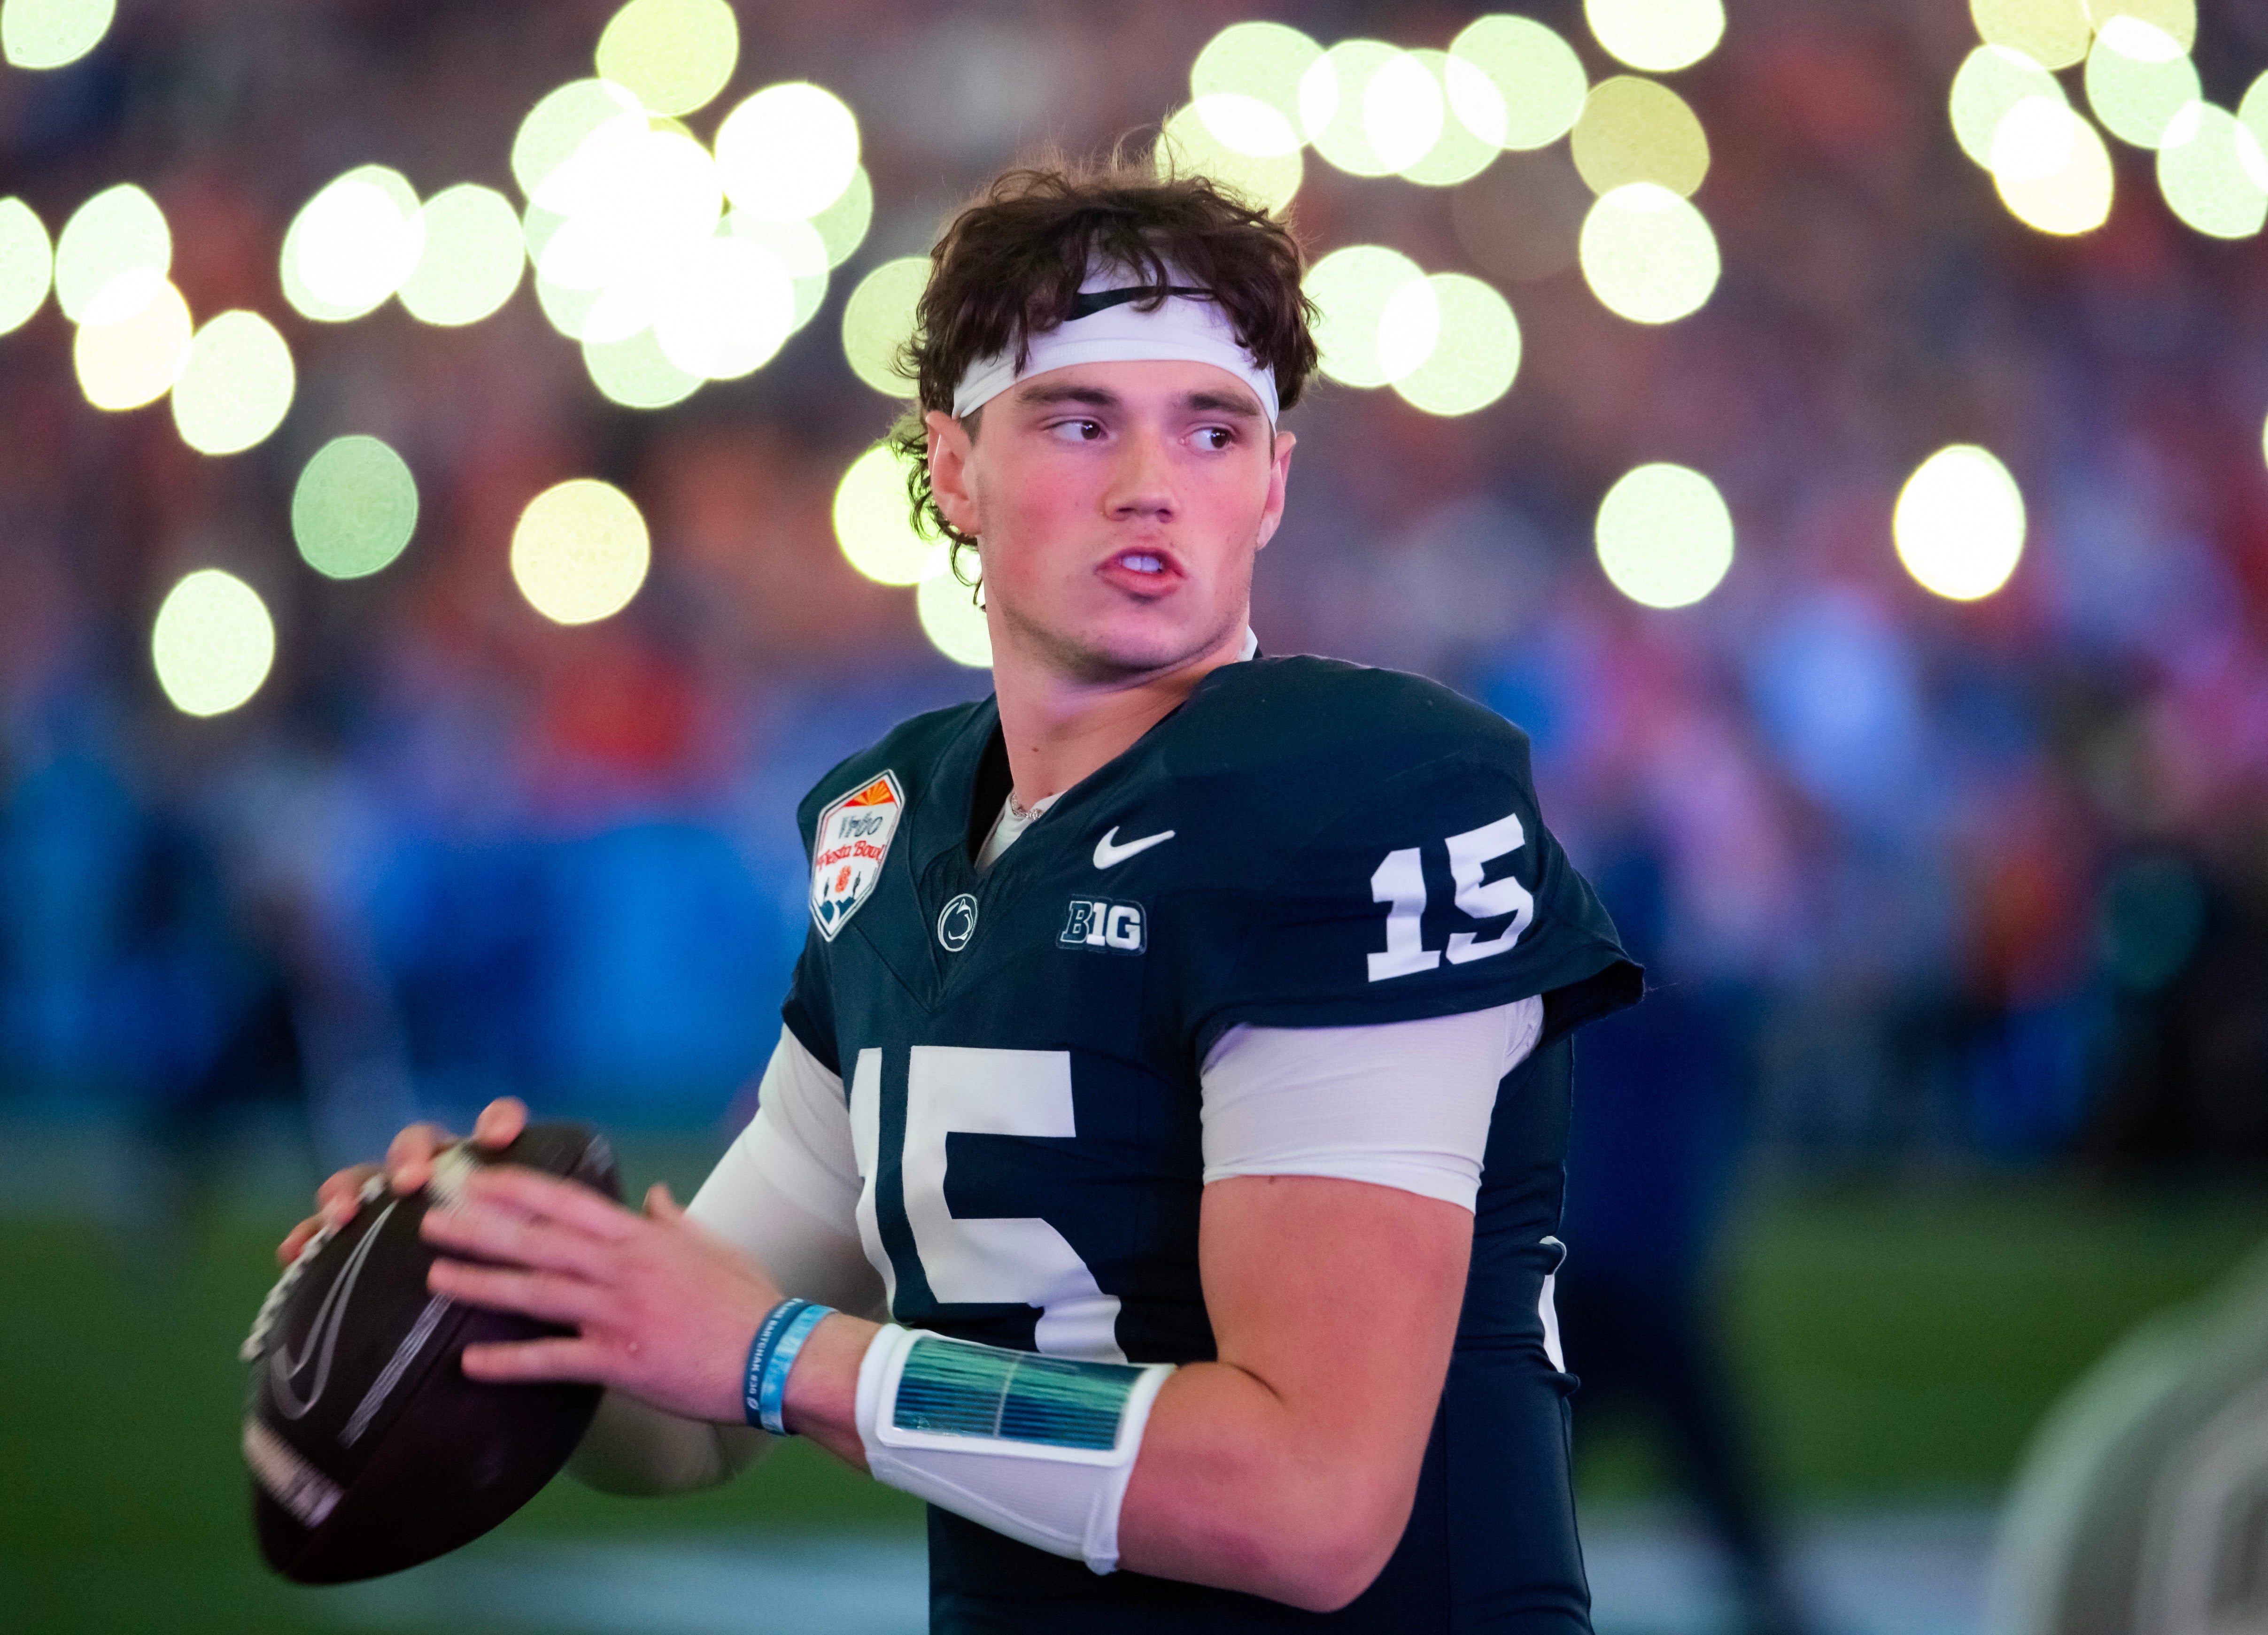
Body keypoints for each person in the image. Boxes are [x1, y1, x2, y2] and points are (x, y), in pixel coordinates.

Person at [280, 162, 1641, 1631]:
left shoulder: (1364, 792)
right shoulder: (896, 828)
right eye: (1079, 419)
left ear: (1272, 483)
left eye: (1211, 427)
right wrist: (509, 1291)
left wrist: (781, 1354)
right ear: (951, 465)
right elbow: (682, 1421)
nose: (1149, 482)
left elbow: (1306, 1495)